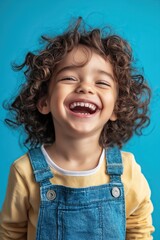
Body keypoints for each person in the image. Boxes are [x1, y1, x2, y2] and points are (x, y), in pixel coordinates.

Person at [0, 17, 154, 239]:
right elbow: (10, 234)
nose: (85, 87)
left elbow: (139, 230)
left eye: (101, 82)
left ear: (115, 109)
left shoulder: (128, 170)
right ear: (44, 101)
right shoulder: (25, 171)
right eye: (70, 78)